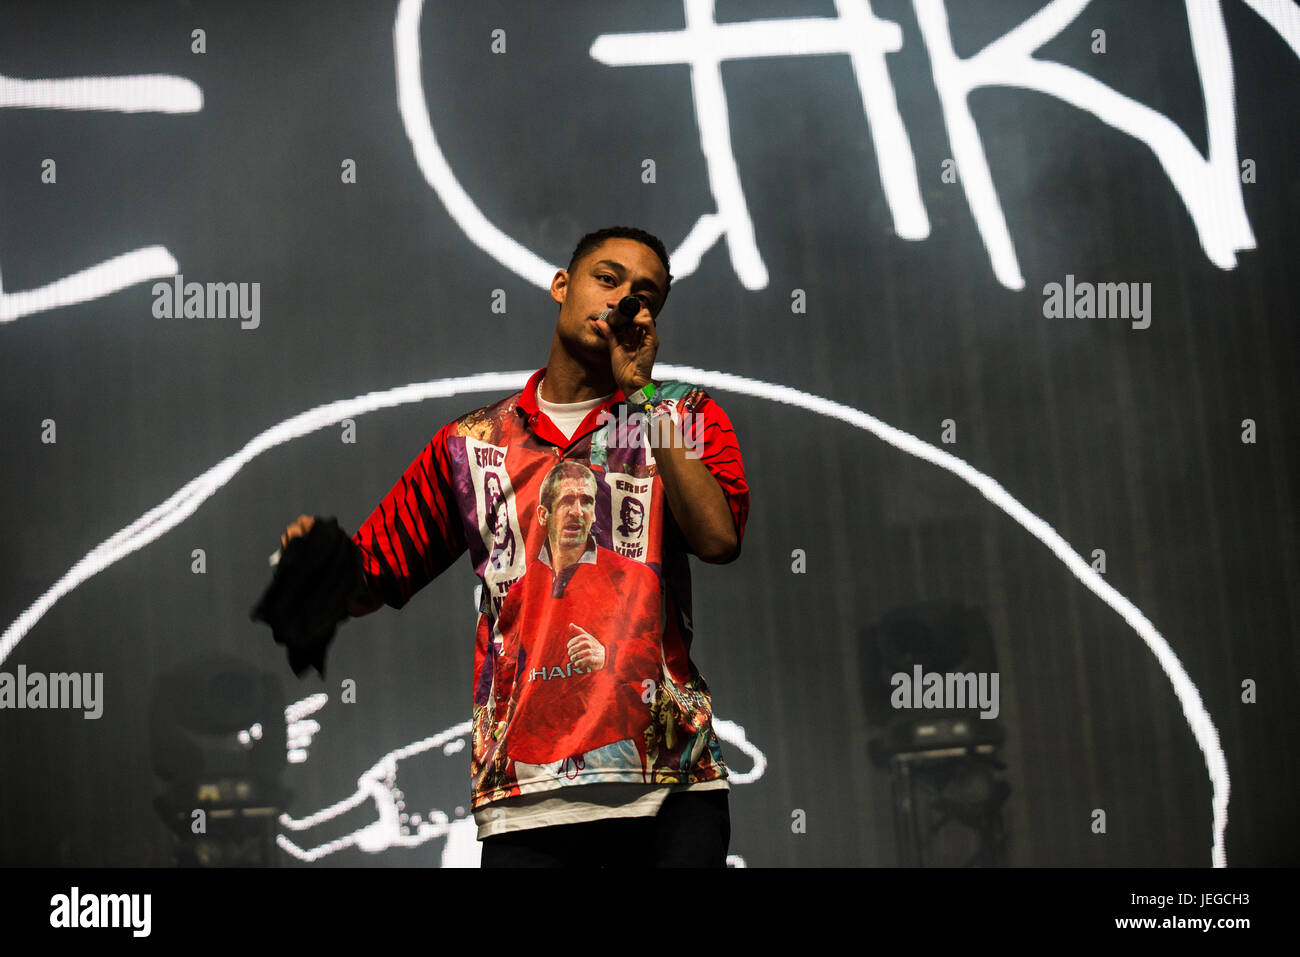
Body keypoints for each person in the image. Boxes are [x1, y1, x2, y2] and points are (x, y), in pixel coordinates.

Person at [278, 226, 749, 866]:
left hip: (668, 786)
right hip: (525, 795)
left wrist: (643, 394)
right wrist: (319, 570)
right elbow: (375, 577)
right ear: (562, 285)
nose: (621, 301)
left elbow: (718, 538)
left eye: (644, 296)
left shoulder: (682, 414)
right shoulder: (471, 443)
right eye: (607, 279)